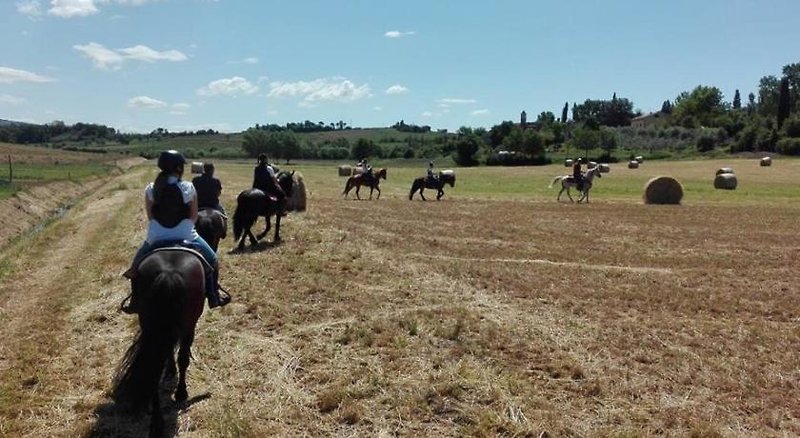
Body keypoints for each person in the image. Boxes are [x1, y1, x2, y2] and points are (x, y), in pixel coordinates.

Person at [122, 150, 230, 313]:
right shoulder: (187, 187)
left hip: (155, 237)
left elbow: (151, 217)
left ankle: (135, 301)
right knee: (213, 260)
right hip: (187, 235)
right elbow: (194, 216)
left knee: (135, 268)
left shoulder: (151, 188)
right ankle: (214, 296)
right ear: (179, 168)